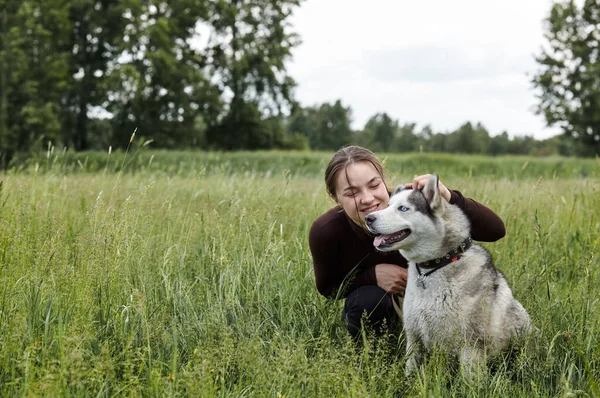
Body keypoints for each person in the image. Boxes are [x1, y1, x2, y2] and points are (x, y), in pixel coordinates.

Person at [309, 146, 506, 339]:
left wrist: (448, 197)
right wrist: (372, 276)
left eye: (374, 185)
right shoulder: (326, 230)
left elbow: (496, 231)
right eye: (352, 193)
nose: (368, 198)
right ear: (334, 197)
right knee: (367, 301)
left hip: (441, 301)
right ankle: (381, 351)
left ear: (384, 181)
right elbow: (328, 288)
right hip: (387, 303)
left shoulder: (413, 204)